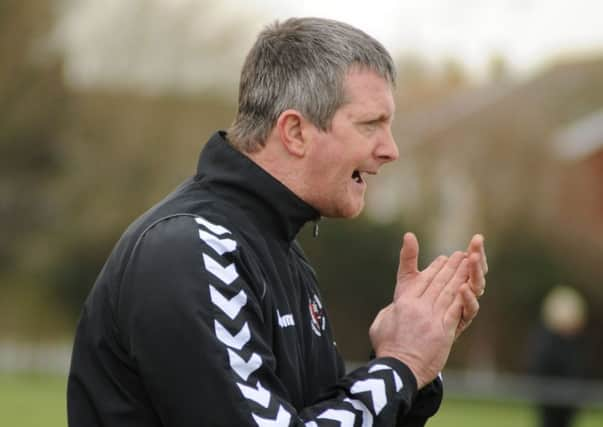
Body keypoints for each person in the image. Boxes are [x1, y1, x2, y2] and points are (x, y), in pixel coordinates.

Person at [67, 17, 487, 426]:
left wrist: (416, 361)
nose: (390, 149)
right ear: (295, 132)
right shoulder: (193, 249)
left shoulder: (277, 250)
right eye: (370, 124)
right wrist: (402, 365)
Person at [528, 286, 589, 427]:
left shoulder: (575, 344)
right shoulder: (545, 342)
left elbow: (579, 370)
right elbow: (539, 369)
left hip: (569, 404)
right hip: (550, 403)